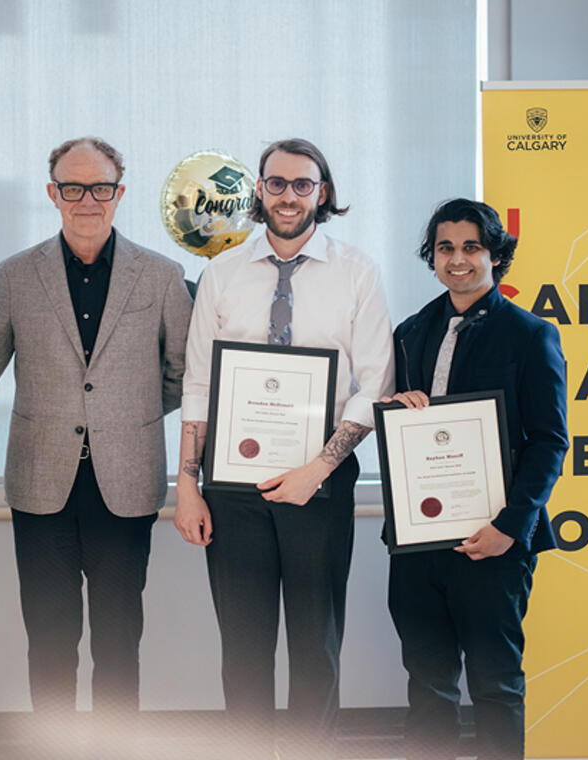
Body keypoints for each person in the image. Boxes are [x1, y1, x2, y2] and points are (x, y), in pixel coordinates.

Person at [0, 137, 192, 753]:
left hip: (126, 481)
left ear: (120, 193)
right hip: (41, 486)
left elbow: (182, 374)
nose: (86, 199)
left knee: (120, 641)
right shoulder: (17, 274)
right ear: (52, 194)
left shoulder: (163, 275)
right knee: (49, 639)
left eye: (100, 187)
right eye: (72, 187)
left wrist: (127, 413)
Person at [175, 138, 394, 759]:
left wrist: (317, 468)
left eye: (303, 184)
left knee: (315, 647)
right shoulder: (221, 274)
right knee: (242, 648)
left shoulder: (357, 272)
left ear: (322, 192)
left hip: (319, 485)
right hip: (230, 485)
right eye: (276, 184)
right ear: (259, 192)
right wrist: (188, 483)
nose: (289, 196)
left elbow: (374, 383)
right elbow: (198, 382)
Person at [384, 198, 568, 760]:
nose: (457, 260)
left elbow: (550, 441)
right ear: (431, 256)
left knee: (495, 687)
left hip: (495, 542)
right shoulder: (410, 332)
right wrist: (395, 408)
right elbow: (405, 430)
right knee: (428, 688)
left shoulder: (530, 335)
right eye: (445, 248)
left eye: (471, 247)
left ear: (495, 256)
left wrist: (510, 527)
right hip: (419, 544)